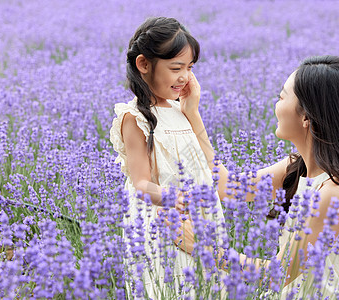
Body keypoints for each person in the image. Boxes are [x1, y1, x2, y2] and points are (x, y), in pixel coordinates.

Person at [172, 55, 339, 299]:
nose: (275, 105)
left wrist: (203, 248)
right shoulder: (297, 167)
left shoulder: (332, 193)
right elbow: (228, 186)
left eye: (281, 97)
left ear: (307, 117)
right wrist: (192, 112)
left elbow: (277, 274)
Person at [109, 17, 226, 299]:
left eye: (190, 68)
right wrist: (174, 197)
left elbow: (209, 165)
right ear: (144, 65)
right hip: (164, 227)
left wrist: (193, 111)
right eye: (176, 68)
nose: (184, 76)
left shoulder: (180, 109)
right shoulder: (135, 117)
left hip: (198, 221)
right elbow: (141, 185)